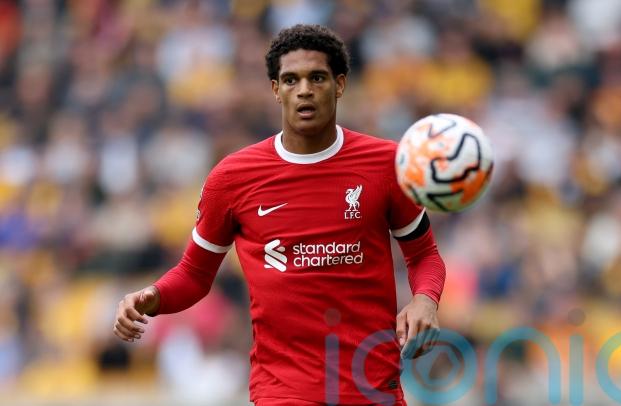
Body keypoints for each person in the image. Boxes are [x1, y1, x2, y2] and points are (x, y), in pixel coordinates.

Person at [113, 24, 446, 406]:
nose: (304, 89)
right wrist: (153, 296)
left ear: (339, 84)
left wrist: (425, 299)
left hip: (372, 387)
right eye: (291, 79)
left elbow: (424, 255)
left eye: (316, 77)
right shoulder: (233, 178)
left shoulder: (386, 164)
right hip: (283, 391)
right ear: (275, 89)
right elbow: (194, 274)